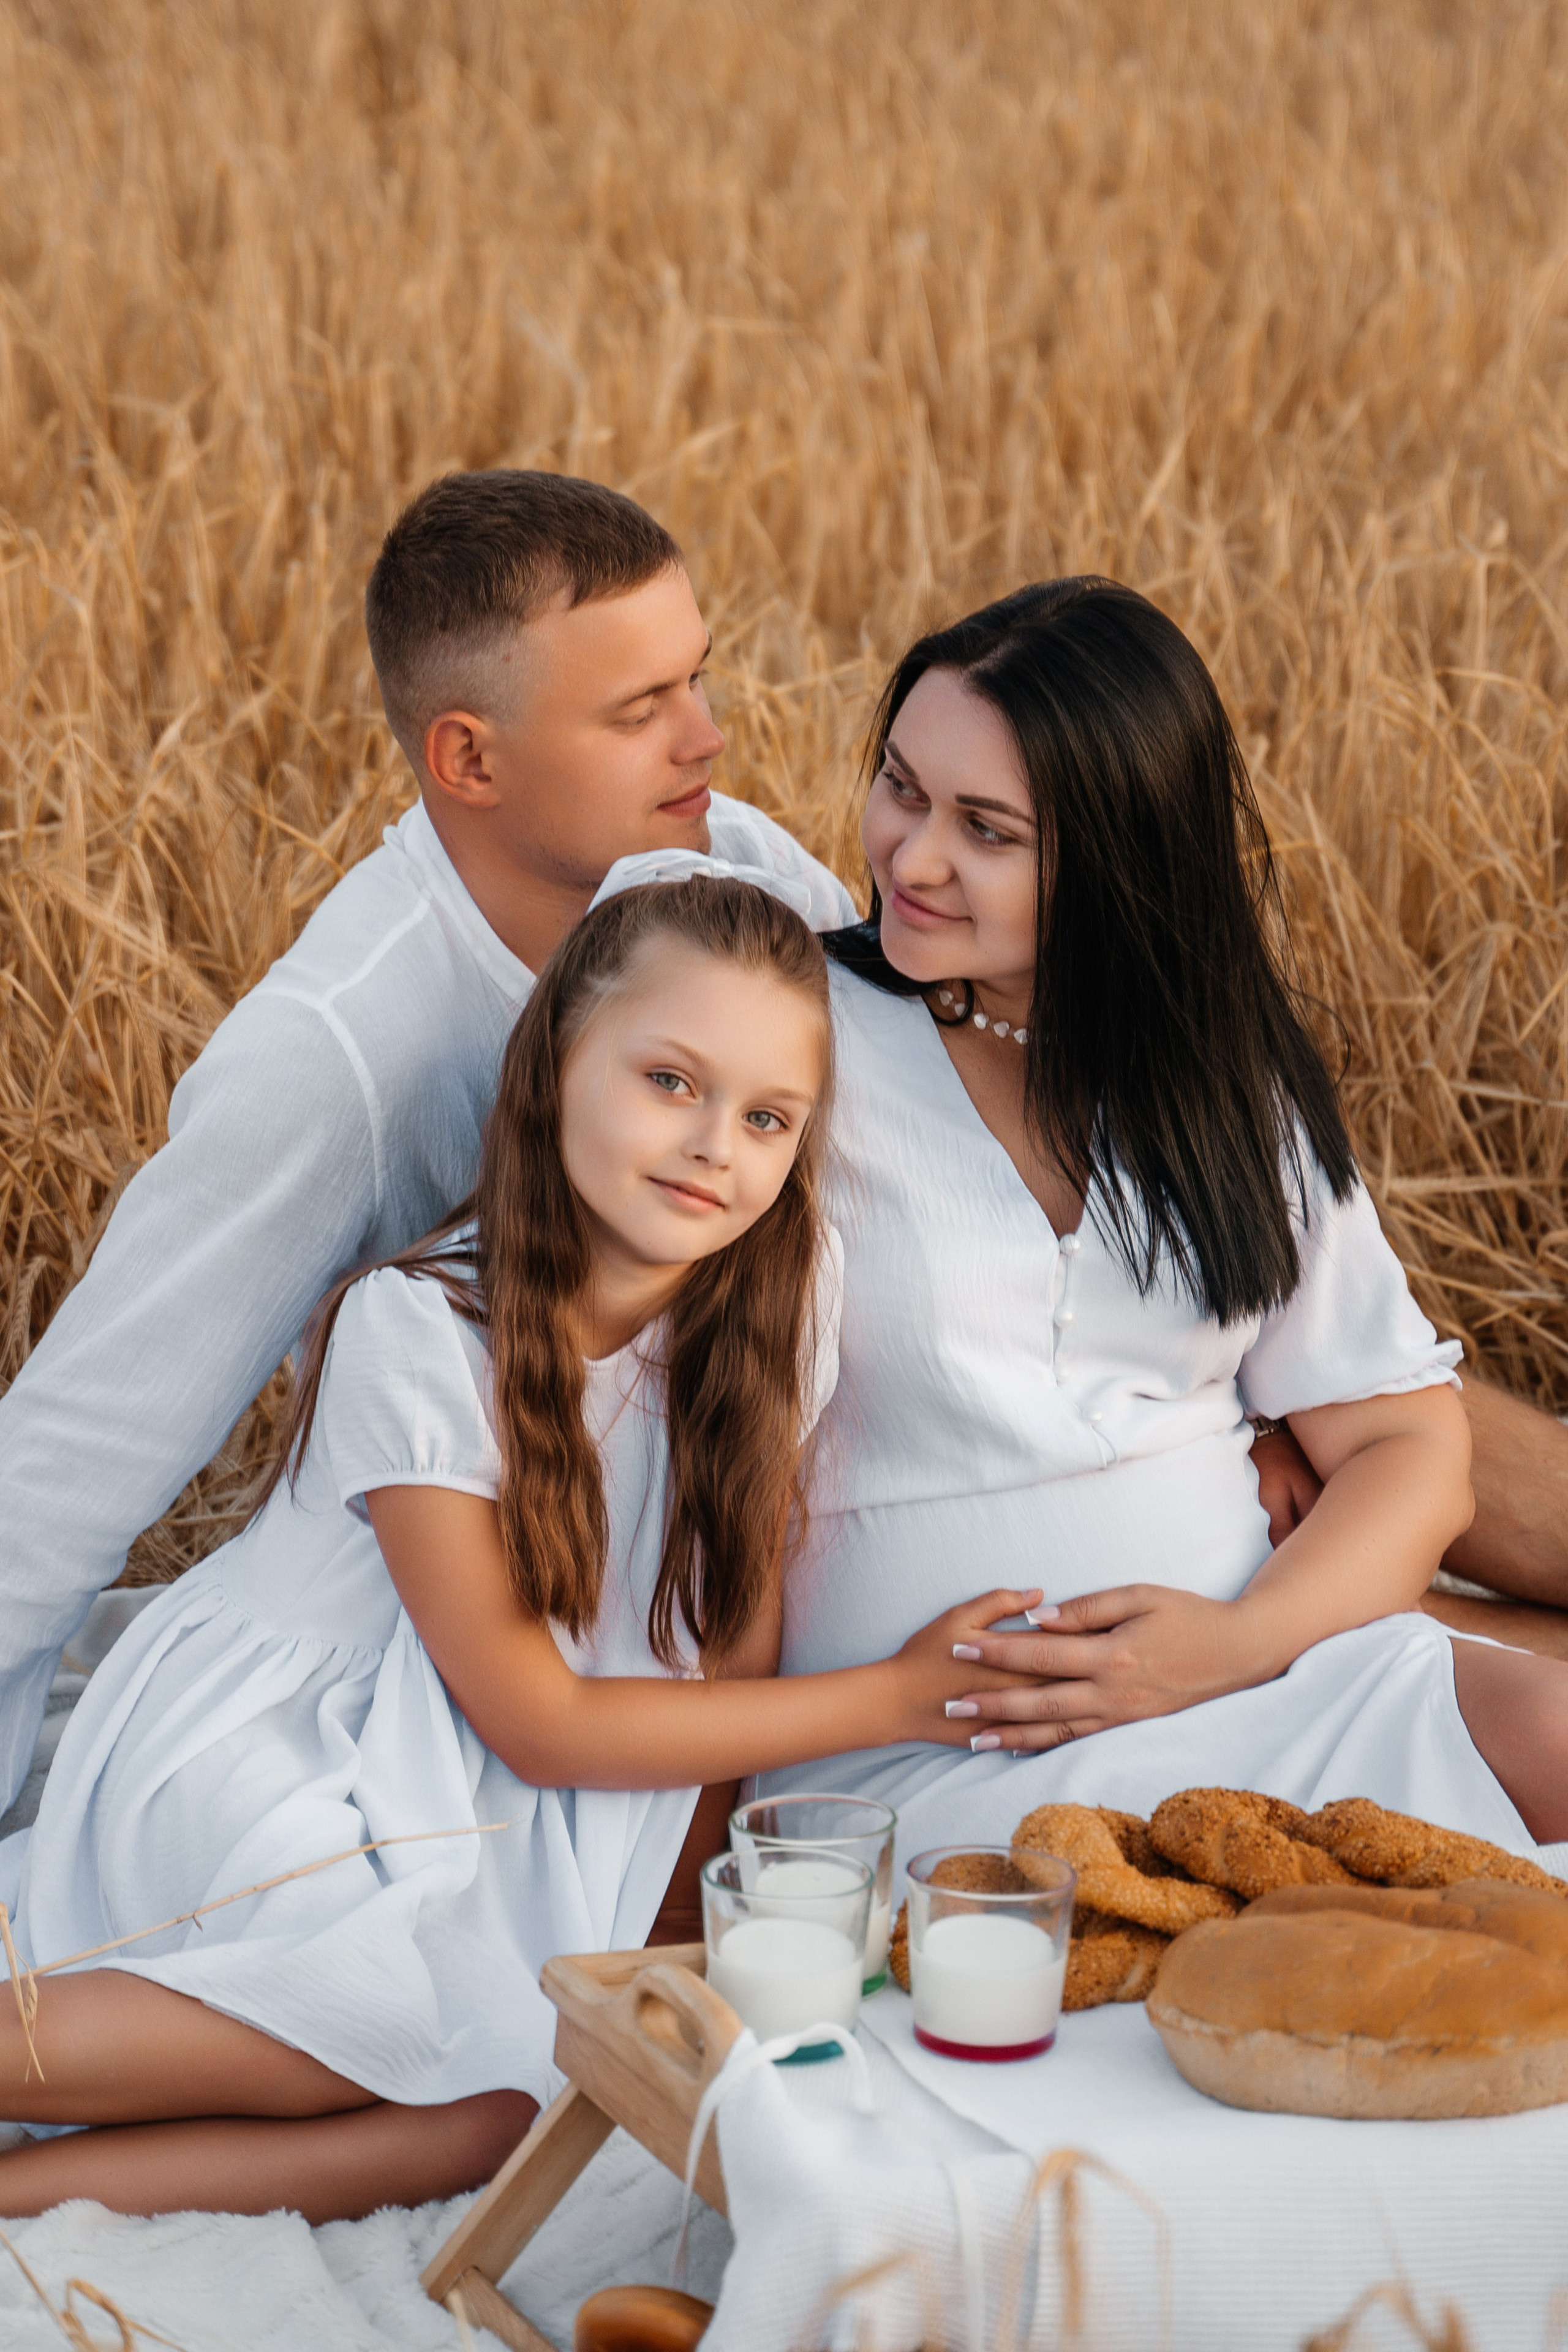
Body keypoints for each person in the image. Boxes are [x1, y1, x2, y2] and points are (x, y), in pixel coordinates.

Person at [0, 871, 1032, 2223]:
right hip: (293, 1747)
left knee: (503, 2095)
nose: (716, 1143)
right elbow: (536, 1719)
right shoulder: (416, 1331)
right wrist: (898, 1695)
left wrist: (686, 1912)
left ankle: (27, 2199)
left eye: (766, 1117)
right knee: (366, 2007)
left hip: (463, 1787)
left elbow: (735, 1640)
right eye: (671, 1081)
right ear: (553, 1069)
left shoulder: (779, 1300)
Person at [0, 469, 856, 1821]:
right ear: (467, 758)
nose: (706, 736)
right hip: (472, 1651)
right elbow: (72, 1462)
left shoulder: (739, 875)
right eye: (640, 711)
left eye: (696, 677)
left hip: (703, 1565)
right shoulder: (334, 1057)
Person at [764, 577, 1568, 1854]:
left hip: (1267, 1685)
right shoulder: (786, 1034)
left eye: (985, 828)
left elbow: (1406, 1447)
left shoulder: (1216, 1084)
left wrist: (1234, 1645)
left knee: (1551, 1733)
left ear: (1115, 854)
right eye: (900, 787)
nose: (910, 856)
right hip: (946, 1743)